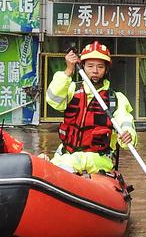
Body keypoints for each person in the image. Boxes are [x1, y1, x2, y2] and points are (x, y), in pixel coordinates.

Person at [43, 41, 136, 175]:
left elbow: (125, 121)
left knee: (69, 163)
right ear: (83, 67)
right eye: (90, 66)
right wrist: (68, 71)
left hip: (98, 159)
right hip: (65, 153)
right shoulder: (71, 89)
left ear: (106, 69)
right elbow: (53, 100)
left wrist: (128, 134)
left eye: (100, 67)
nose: (95, 71)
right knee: (50, 162)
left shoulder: (116, 98)